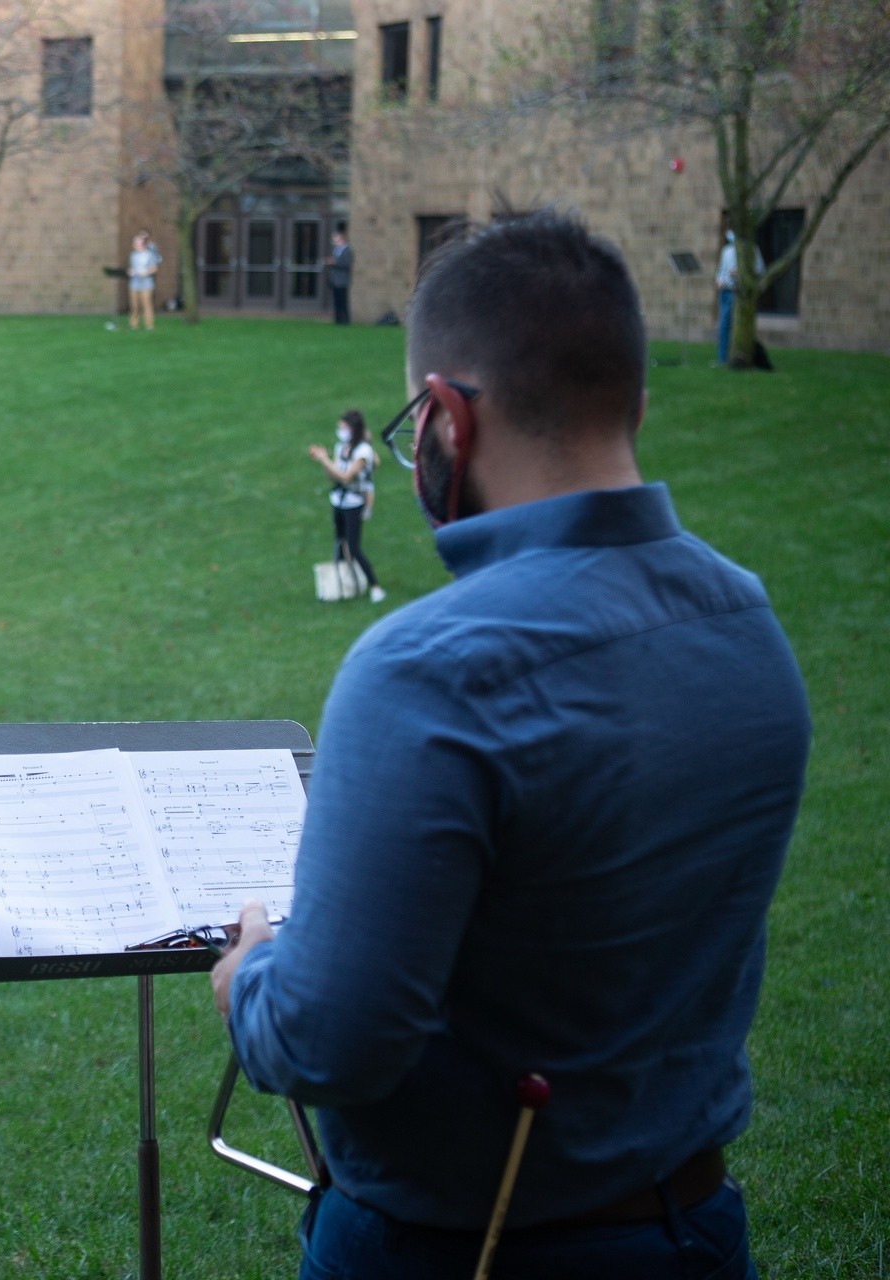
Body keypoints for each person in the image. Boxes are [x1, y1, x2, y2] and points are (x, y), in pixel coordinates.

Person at [207, 210, 810, 1279]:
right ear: (635, 400)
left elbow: (332, 1041)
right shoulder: (746, 617)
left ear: (442, 416)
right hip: (696, 1228)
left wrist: (251, 976)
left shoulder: (427, 668)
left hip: (461, 1251)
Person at [308, 409, 384, 602]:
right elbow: (333, 475)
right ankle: (343, 583)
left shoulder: (363, 452)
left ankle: (375, 587)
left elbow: (346, 477)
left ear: (354, 429)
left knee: (353, 546)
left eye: (343, 428)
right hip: (339, 501)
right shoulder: (341, 447)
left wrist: (324, 459)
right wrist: (324, 462)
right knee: (339, 541)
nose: (340, 431)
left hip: (354, 504)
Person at [715, 230, 764, 366]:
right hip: (725, 291)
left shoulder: (752, 250)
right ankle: (722, 357)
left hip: (740, 292)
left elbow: (759, 269)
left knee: (738, 325)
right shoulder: (726, 251)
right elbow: (721, 270)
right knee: (724, 325)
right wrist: (719, 280)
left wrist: (741, 273)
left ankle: (740, 356)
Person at [126, 231, 160, 331]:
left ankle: (149, 325)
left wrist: (146, 272)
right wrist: (130, 271)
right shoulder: (133, 255)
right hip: (134, 283)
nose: (136, 245)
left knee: (146, 305)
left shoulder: (150, 255)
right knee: (134, 305)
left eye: (138, 243)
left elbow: (154, 268)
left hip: (146, 283)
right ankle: (133, 324)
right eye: (135, 243)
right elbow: (131, 267)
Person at [326, 224, 353, 325]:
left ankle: (345, 320)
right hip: (335, 280)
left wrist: (334, 262)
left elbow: (346, 264)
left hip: (342, 280)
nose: (334, 239)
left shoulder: (347, 251)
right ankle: (337, 320)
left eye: (335, 237)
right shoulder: (335, 250)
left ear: (341, 238)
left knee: (343, 301)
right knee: (336, 301)